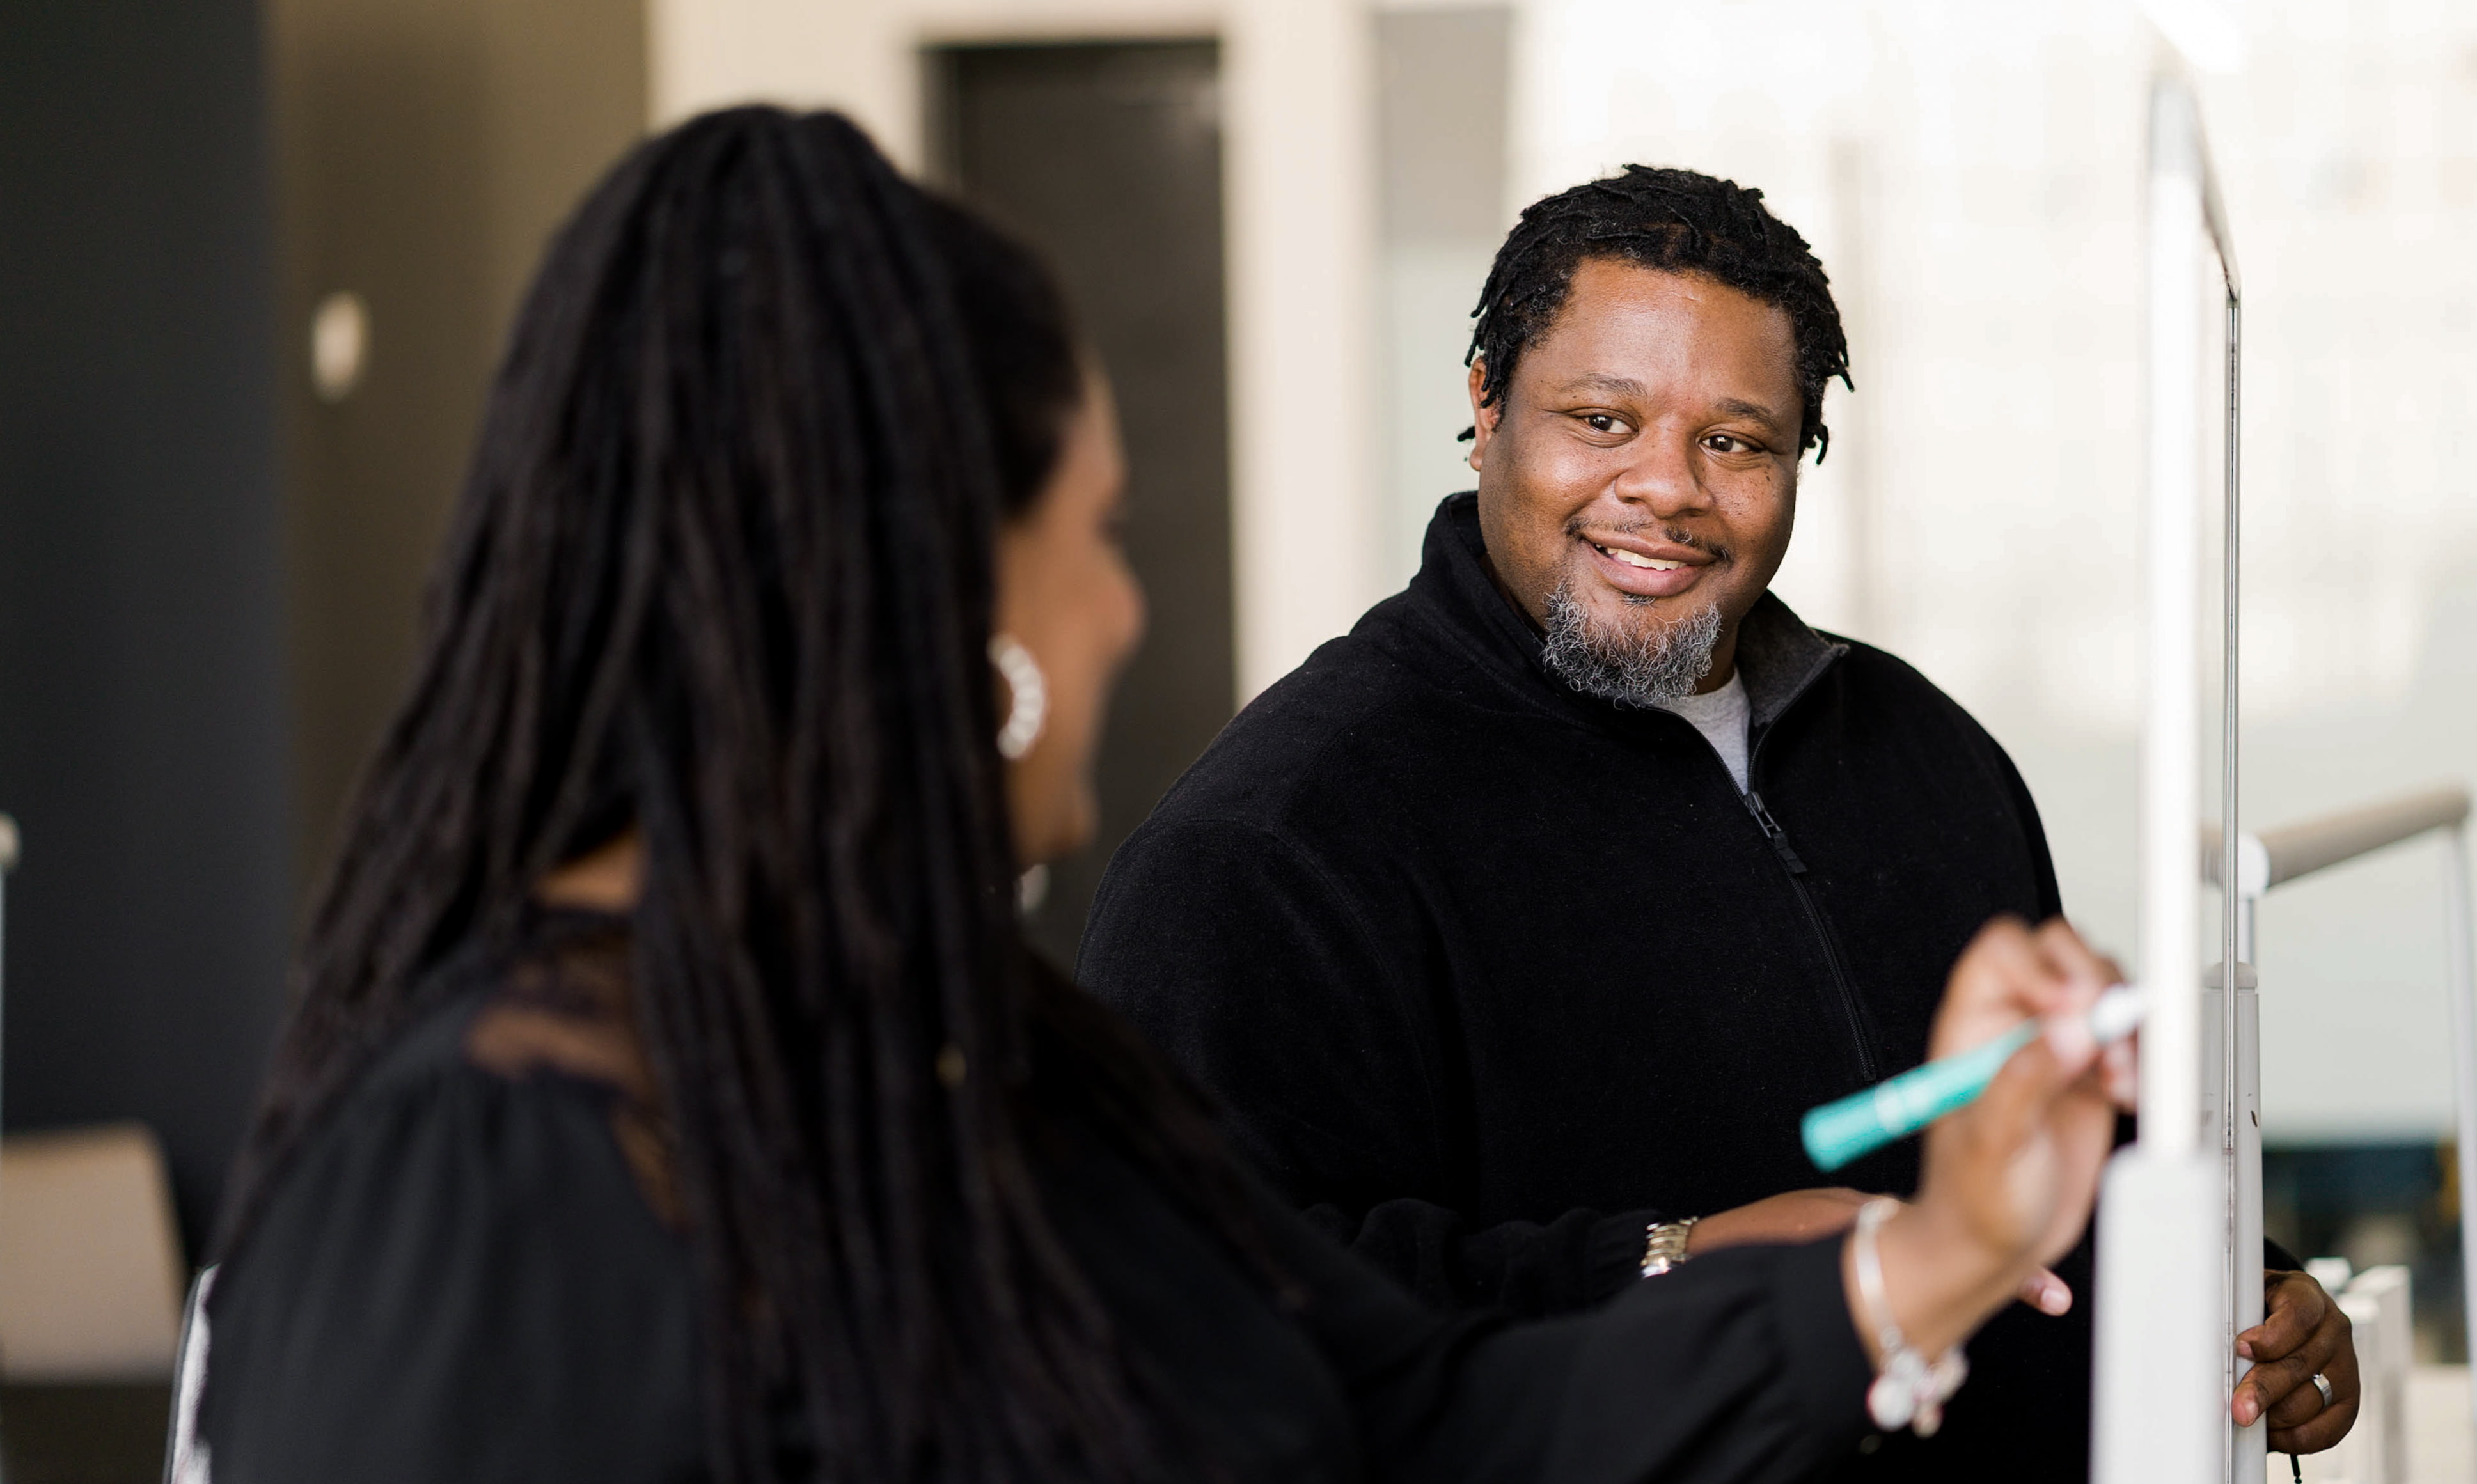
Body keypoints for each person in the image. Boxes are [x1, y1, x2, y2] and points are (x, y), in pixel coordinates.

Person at [178, 109, 2135, 1484]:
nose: (1127, 604)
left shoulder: (995, 1067)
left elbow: (1429, 1424)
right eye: (1093, 531)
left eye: (1736, 438)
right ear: (922, 591)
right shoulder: (474, 1174)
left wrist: (1932, 1256)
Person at [1077, 165, 2359, 1475]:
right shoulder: (1273, 843)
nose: (1667, 489)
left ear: (1800, 458)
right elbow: (1210, 1320)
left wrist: (2241, 1279)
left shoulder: (1917, 746)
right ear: (1485, 406)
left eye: (1735, 441)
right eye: (1601, 418)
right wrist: (1672, 1258)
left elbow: (2046, 1110)